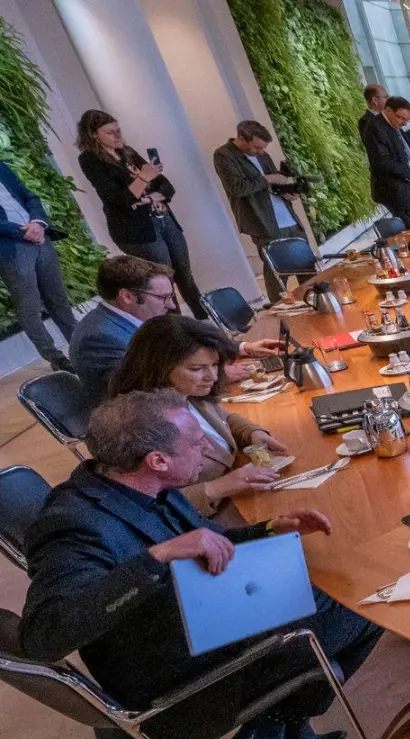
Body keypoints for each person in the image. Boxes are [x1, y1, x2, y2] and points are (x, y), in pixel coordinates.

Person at [20, 389, 383, 739]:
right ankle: (276, 721)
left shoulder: (137, 486)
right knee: (364, 601)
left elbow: (203, 541)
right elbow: (43, 636)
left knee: (335, 582)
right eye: (196, 443)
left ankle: (274, 727)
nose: (207, 447)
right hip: (169, 674)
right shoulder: (74, 524)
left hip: (196, 617)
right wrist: (155, 558)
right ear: (157, 460)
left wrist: (269, 528)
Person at [104, 316, 284, 519]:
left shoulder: (190, 393)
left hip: (241, 495)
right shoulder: (136, 426)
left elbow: (221, 417)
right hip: (209, 522)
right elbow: (143, 508)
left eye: (215, 364)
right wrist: (218, 487)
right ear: (158, 368)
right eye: (196, 369)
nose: (213, 376)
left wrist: (251, 432)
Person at [70, 255, 283, 406]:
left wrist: (243, 347)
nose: (171, 305)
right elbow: (141, 387)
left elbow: (186, 342)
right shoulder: (97, 337)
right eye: (163, 298)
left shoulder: (136, 317)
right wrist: (215, 374)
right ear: (127, 297)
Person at [76, 109, 205, 319]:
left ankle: (206, 320)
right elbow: (121, 199)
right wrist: (144, 179)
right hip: (136, 230)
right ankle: (179, 330)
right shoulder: (90, 159)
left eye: (119, 130)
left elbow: (166, 186)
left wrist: (148, 198)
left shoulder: (127, 152)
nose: (118, 136)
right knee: (163, 282)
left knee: (184, 274)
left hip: (163, 218)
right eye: (110, 132)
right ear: (93, 134)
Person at [212, 121, 305, 306]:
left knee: (305, 263)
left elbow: (275, 183)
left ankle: (313, 297)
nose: (260, 152)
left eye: (263, 148)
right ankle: (281, 308)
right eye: (256, 147)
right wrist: (268, 178)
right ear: (240, 138)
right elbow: (237, 188)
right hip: (262, 221)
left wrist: (287, 191)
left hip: (287, 217)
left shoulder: (263, 155)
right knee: (277, 269)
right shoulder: (224, 155)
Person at [0, 158, 76, 371]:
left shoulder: (1, 166)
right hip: (12, 248)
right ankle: (56, 358)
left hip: (41, 238)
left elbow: (29, 196)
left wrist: (38, 222)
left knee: (58, 298)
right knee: (29, 306)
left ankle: (81, 345)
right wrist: (20, 231)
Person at [364, 96, 410, 226]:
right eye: (401, 118)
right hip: (395, 190)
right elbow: (383, 162)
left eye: (407, 120)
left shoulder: (394, 124)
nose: (404, 123)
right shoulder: (375, 128)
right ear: (389, 110)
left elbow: (409, 156)